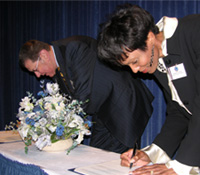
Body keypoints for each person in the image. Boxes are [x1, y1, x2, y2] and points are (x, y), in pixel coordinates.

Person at [97, 3, 200, 175]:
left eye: (135, 61)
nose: (135, 71)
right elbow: (180, 112)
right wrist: (151, 154)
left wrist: (183, 165)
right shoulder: (157, 59)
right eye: (128, 66)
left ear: (150, 38)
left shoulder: (194, 31)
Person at [19, 35, 153, 154]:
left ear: (43, 55)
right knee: (95, 156)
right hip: (104, 110)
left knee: (118, 162)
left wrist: (63, 125)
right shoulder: (57, 67)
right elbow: (65, 100)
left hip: (122, 106)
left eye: (35, 69)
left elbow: (83, 93)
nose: (37, 75)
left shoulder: (74, 48)